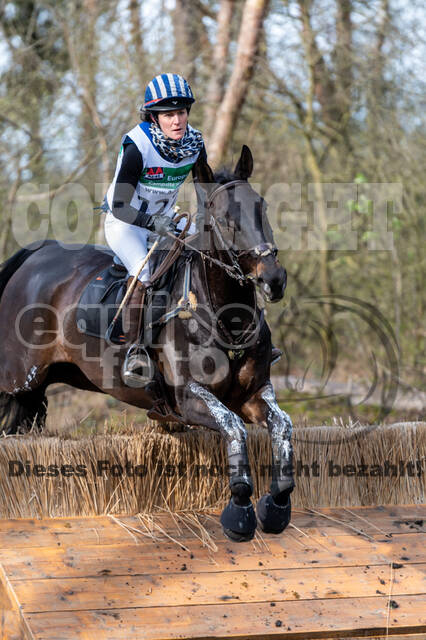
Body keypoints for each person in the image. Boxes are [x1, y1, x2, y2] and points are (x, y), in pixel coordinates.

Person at [104, 73, 206, 386]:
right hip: (128, 223)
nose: (177, 121)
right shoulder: (138, 146)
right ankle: (135, 351)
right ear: (154, 117)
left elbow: (207, 190)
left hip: (166, 221)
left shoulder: (195, 144)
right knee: (146, 273)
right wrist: (152, 223)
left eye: (181, 112)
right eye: (168, 115)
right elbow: (119, 205)